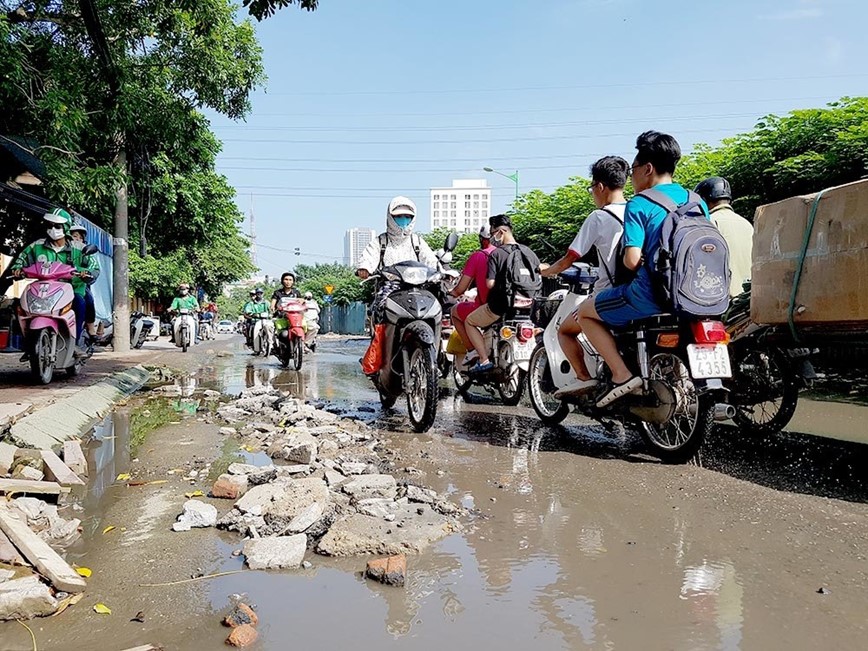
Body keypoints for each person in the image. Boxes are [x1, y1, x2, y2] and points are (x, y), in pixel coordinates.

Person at [577, 131, 710, 407]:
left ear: (647, 168)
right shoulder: (697, 201)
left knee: (585, 313)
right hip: (695, 295)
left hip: (651, 295)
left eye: (634, 170)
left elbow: (630, 260)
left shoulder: (640, 203)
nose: (632, 177)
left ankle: (621, 374)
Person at [539, 156, 629, 396]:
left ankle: (583, 377)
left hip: (607, 294)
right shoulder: (639, 211)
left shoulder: (599, 217)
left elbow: (570, 257)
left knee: (565, 330)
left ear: (600, 187)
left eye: (592, 188)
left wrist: (547, 271)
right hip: (637, 290)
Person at [356, 196, 439, 373]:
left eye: (408, 216)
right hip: (390, 290)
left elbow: (430, 260)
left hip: (418, 289)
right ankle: (376, 360)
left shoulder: (417, 241)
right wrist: (364, 268)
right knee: (378, 314)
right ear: (390, 217)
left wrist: (441, 272)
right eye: (399, 216)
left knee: (439, 310)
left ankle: (437, 359)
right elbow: (369, 257)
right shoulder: (381, 241)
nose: (404, 220)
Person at [11, 209, 95, 357]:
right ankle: (29, 343)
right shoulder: (37, 246)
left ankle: (75, 344)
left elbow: (93, 266)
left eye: (57, 226)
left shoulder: (79, 248)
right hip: (43, 288)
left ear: (67, 227)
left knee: (80, 304)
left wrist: (86, 273)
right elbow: (22, 257)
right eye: (50, 225)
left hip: (71, 288)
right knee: (19, 305)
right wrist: (17, 268)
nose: (52, 229)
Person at [464, 214, 542, 374]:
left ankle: (484, 360)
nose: (493, 238)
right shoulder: (529, 253)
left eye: (493, 233)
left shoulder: (497, 254)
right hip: (528, 307)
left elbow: (490, 284)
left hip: (501, 306)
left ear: (501, 232)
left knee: (469, 322)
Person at [695, 176, 753, 297]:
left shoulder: (709, 222)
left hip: (725, 300)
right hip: (749, 297)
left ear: (703, 200)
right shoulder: (746, 223)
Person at [450, 225, 496, 368]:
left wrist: (451, 292)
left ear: (482, 239)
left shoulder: (478, 256)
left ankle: (474, 351)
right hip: (511, 306)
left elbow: (460, 289)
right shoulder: (508, 254)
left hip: (487, 308)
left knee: (455, 312)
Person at [69, 222, 101, 341]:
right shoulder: (61, 250)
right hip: (57, 286)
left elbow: (94, 267)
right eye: (74, 236)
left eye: (80, 237)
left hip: (78, 286)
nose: (77, 239)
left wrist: (86, 272)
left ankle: (90, 329)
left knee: (87, 300)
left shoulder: (85, 252)